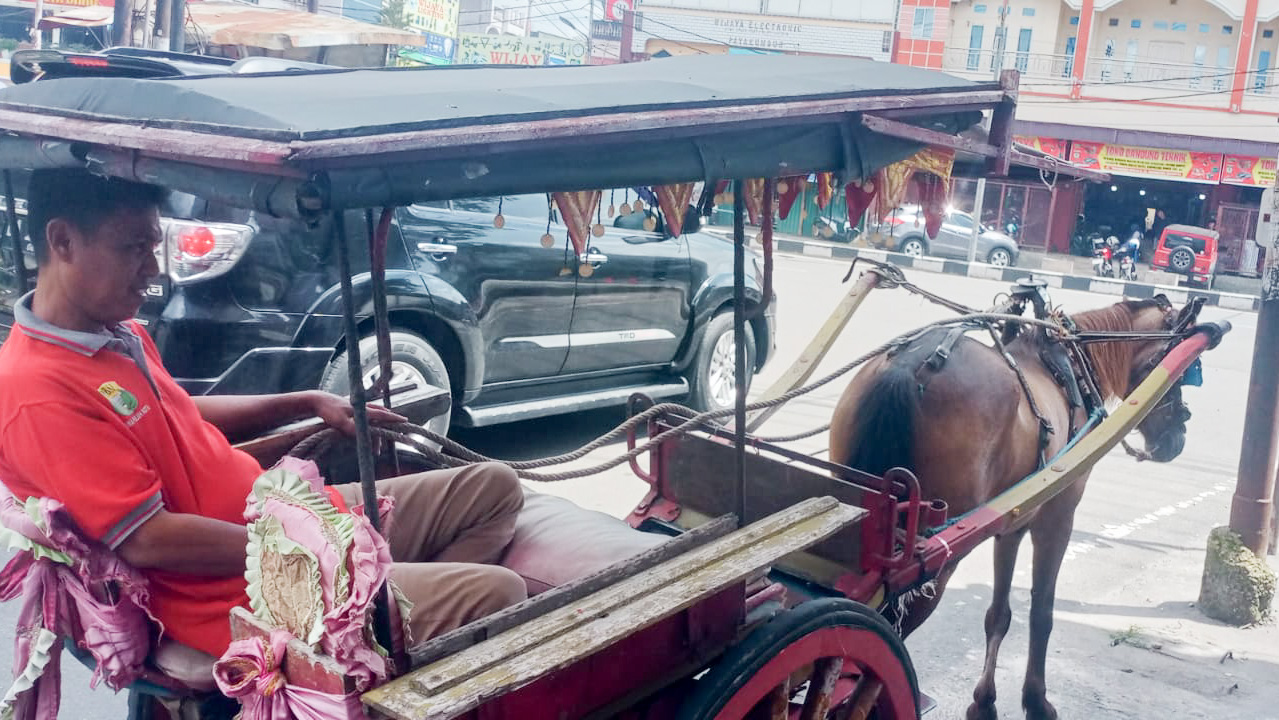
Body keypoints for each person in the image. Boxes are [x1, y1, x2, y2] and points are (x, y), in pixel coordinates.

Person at [0, 169, 528, 664]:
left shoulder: (118, 333)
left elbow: (176, 414)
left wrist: (305, 401)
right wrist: (307, 549)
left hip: (283, 516)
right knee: (503, 592)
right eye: (134, 249)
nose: (153, 269)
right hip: (247, 588)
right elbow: (147, 538)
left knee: (496, 487)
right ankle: (376, 627)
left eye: (152, 246)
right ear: (63, 242)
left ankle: (386, 615)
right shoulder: (37, 391)